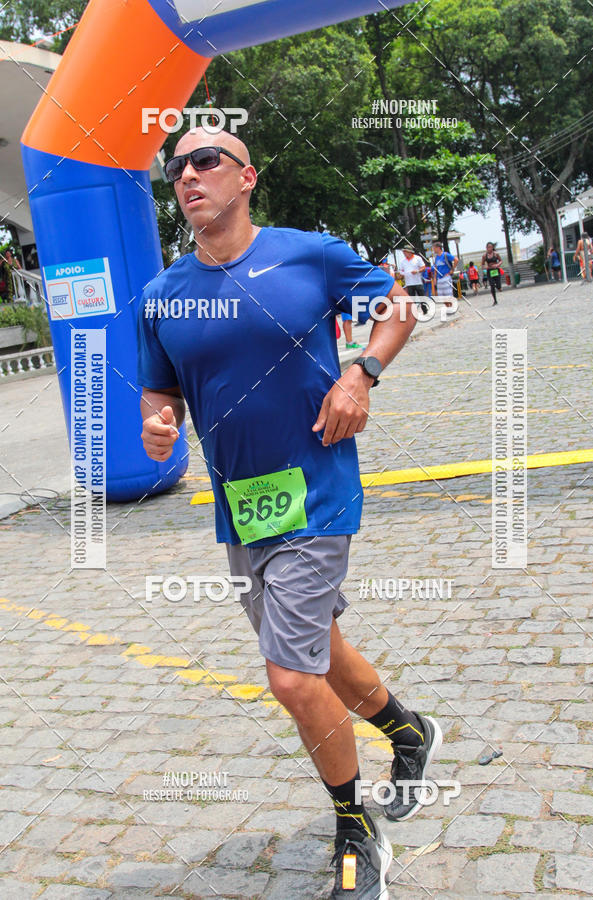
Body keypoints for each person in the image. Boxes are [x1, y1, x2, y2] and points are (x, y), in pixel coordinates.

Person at [137, 129, 443, 900]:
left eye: (206, 160)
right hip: (243, 510)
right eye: (176, 167)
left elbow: (399, 306)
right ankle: (409, 731)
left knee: (289, 675)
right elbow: (161, 390)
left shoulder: (310, 255)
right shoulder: (163, 294)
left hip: (318, 490)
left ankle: (354, 827)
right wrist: (158, 423)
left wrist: (362, 373)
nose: (188, 174)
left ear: (246, 177)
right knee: (320, 654)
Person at [396, 247, 428, 314]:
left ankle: (424, 309)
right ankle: (413, 312)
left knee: (422, 297)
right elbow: (400, 271)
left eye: (405, 252)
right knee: (411, 298)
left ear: (409, 252)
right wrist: (400, 275)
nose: (404, 254)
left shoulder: (417, 258)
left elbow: (423, 267)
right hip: (409, 283)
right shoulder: (403, 262)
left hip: (418, 282)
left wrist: (417, 271)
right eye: (403, 252)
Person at [431, 241, 456, 307]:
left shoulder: (445, 255)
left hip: (446, 277)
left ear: (438, 248)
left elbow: (456, 259)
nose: (433, 249)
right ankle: (448, 307)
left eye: (434, 247)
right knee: (442, 297)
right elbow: (436, 267)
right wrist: (435, 278)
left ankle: (451, 307)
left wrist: (452, 270)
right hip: (439, 278)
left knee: (448, 296)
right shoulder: (436, 257)